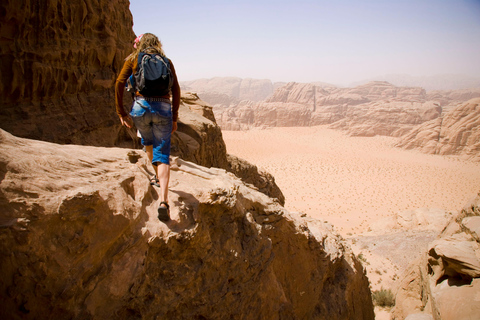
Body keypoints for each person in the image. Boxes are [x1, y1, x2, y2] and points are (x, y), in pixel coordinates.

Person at [115, 33, 180, 222]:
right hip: (163, 108)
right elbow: (175, 89)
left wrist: (122, 113)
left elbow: (119, 82)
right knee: (163, 154)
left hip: (140, 108)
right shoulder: (166, 61)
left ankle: (156, 176)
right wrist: (174, 117)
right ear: (158, 44)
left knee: (148, 143)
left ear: (140, 44)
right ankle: (164, 202)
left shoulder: (134, 59)